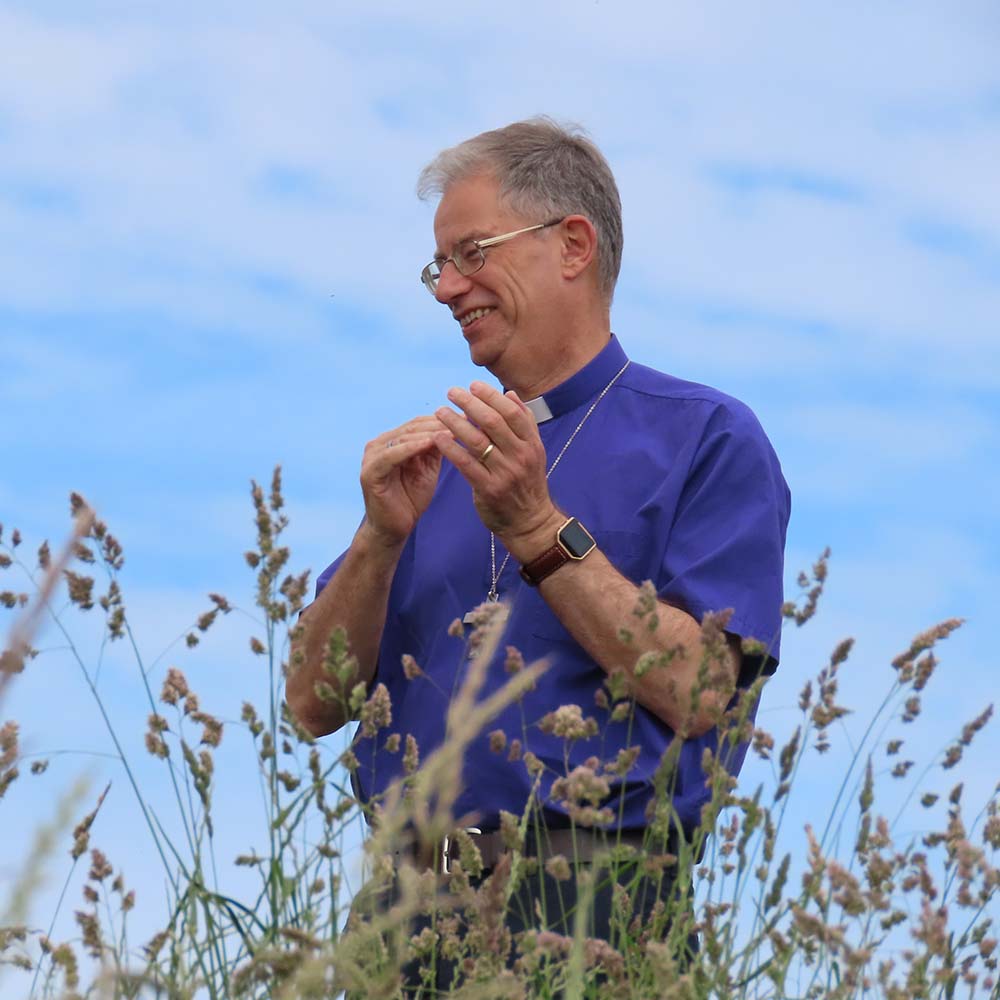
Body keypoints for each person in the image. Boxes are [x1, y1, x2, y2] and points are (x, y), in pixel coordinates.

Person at [286, 117, 790, 982]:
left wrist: (536, 530)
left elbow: (704, 690)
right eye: (438, 265)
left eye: (471, 252)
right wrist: (377, 539)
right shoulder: (433, 469)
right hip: (408, 907)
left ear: (573, 245)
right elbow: (310, 705)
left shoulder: (705, 438)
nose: (447, 287)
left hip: (597, 907)